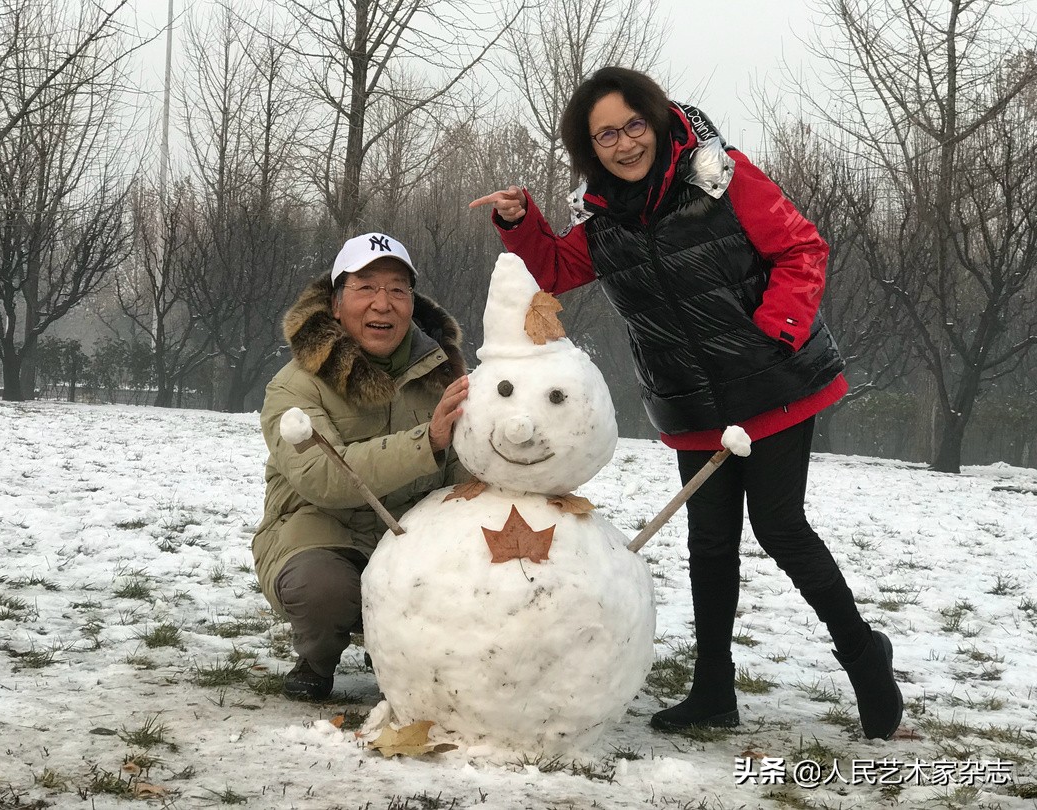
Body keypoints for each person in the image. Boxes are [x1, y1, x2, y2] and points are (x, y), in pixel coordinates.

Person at [469, 67, 903, 740]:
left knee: (780, 526)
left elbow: (802, 248)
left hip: (775, 383)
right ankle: (713, 689)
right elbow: (556, 270)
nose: (624, 143)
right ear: (590, 149)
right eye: (605, 134)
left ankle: (864, 656)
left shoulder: (721, 177)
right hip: (693, 402)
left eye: (634, 124)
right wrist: (520, 220)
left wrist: (776, 331)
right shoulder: (603, 219)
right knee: (709, 543)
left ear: (658, 119)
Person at [253, 232, 469, 700]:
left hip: (411, 536)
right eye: (365, 287)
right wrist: (426, 440)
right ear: (335, 303)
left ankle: (399, 649)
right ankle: (316, 657)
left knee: (470, 577)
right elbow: (325, 479)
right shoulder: (293, 386)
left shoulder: (447, 375)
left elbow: (465, 471)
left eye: (397, 289)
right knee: (324, 589)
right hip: (319, 531)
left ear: (413, 303)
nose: (382, 304)